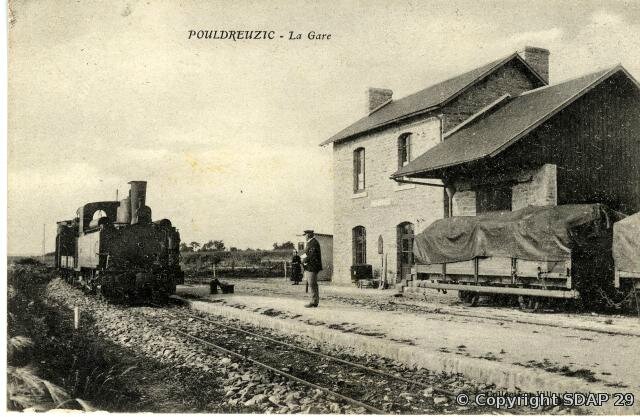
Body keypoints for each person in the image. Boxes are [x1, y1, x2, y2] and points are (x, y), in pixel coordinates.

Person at [301, 229, 322, 307]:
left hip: (312, 266)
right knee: (312, 283)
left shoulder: (313, 243)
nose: (305, 237)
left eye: (305, 235)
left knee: (312, 284)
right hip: (311, 266)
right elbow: (306, 253)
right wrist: (302, 258)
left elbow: (311, 255)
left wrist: (303, 261)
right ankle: (314, 301)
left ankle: (314, 302)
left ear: (309, 235)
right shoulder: (311, 242)